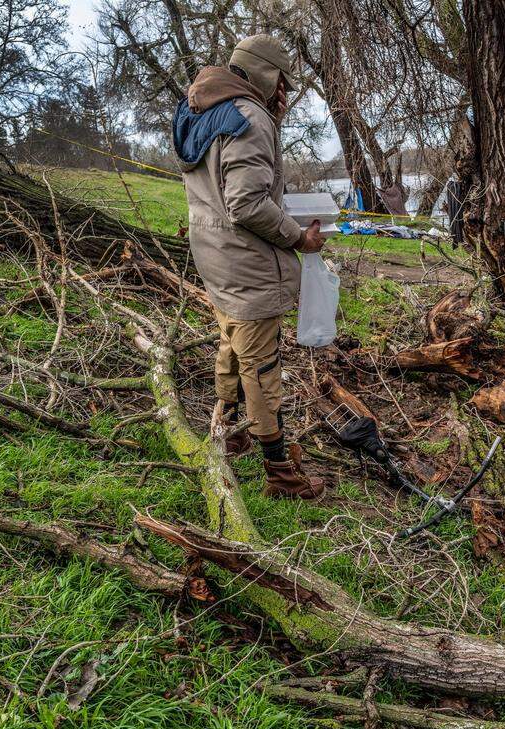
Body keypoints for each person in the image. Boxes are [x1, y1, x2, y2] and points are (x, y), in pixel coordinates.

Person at [172, 34, 326, 500]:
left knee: (233, 346)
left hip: (215, 255)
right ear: (263, 72)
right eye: (282, 80)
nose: (284, 92)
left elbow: (223, 195)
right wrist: (300, 237)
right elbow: (245, 203)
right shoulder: (250, 116)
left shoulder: (198, 108)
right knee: (262, 365)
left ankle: (227, 430)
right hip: (247, 262)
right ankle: (279, 472)